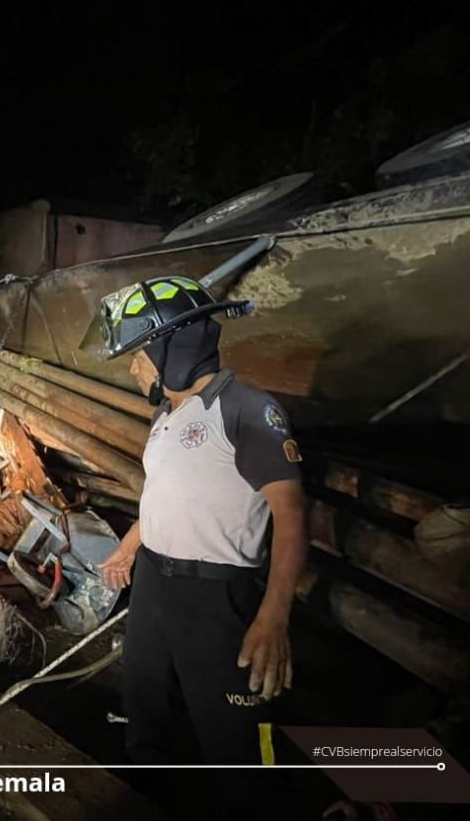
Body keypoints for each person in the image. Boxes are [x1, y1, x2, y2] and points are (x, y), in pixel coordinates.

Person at [92, 276, 308, 766]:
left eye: (138, 353)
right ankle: (146, 780)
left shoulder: (248, 410)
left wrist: (273, 617)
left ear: (174, 346)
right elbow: (165, 495)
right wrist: (130, 547)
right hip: (154, 583)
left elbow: (291, 518)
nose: (131, 367)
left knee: (237, 731)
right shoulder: (167, 415)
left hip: (217, 595)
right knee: (144, 695)